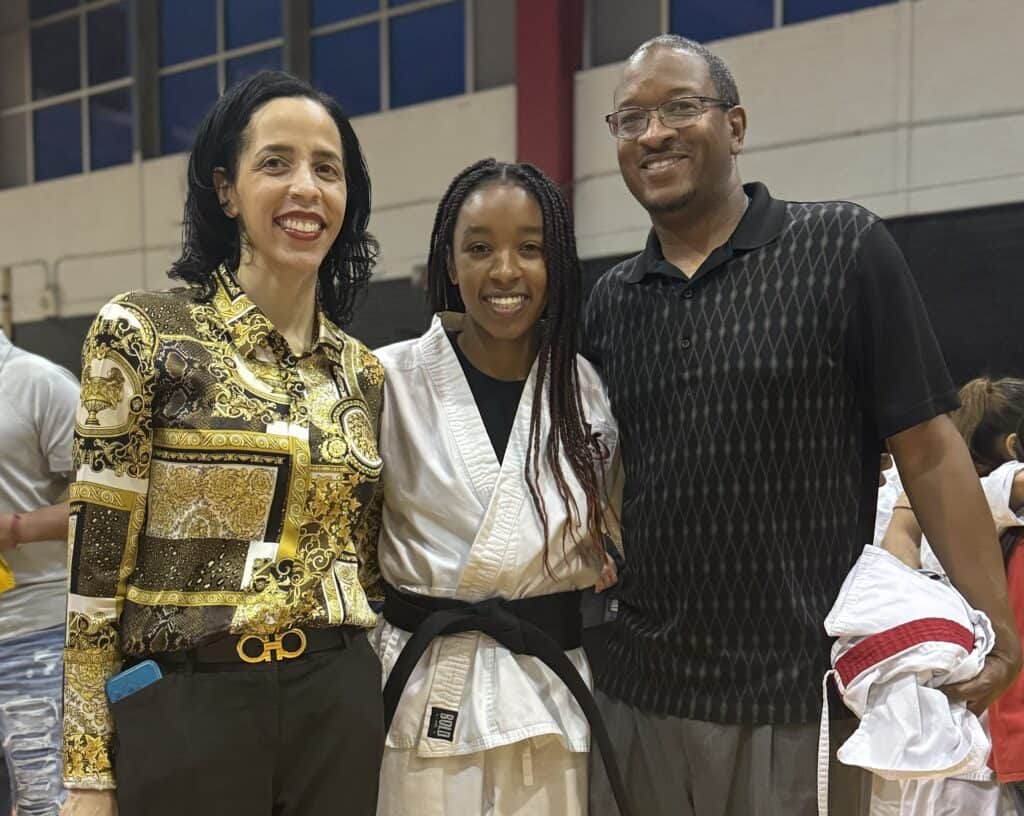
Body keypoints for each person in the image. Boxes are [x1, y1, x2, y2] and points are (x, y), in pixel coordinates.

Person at [583, 34, 1021, 816]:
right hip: (638, 693)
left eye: (680, 107)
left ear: (736, 125)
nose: (653, 133)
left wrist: (997, 623)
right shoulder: (611, 302)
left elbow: (929, 451)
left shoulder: (840, 248)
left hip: (800, 696)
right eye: (630, 119)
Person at [60, 71, 385, 816]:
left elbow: (364, 562)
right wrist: (86, 769)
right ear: (226, 188)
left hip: (336, 702)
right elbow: (93, 574)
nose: (305, 187)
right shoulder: (142, 334)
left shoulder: (362, 373)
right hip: (188, 707)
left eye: (326, 169)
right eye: (276, 163)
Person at [369, 159, 622, 816]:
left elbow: (611, 523)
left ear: (555, 265)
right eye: (479, 248)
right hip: (428, 684)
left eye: (530, 249)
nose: (505, 271)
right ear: (448, 266)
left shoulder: (585, 389)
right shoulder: (387, 382)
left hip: (548, 685)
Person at [882, 376, 1024, 816]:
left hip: (932, 736)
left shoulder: (912, 504)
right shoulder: (993, 494)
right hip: (979, 752)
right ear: (1014, 447)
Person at [0, 329, 78, 815]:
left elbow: (109, 499)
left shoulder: (40, 383)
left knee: (44, 804)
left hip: (34, 638)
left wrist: (15, 527)